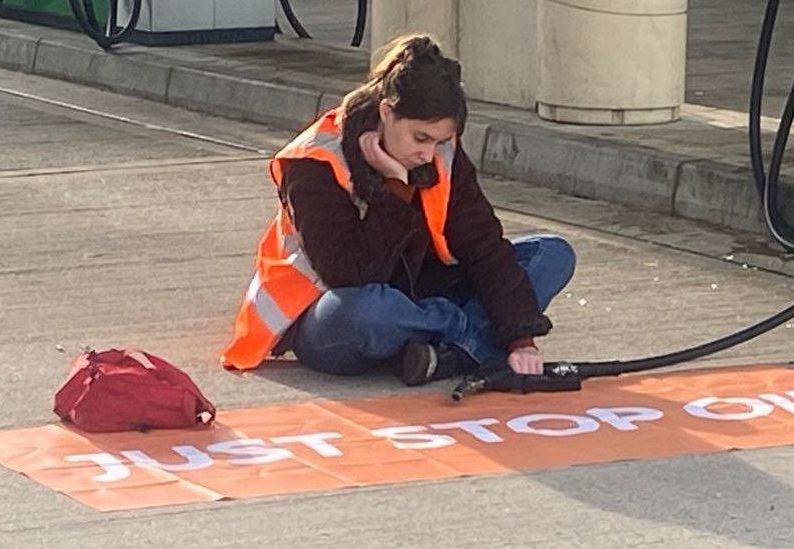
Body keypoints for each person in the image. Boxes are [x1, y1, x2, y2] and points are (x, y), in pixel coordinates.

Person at [221, 34, 576, 386]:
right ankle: (467, 341)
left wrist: (520, 339)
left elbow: (483, 244)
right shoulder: (314, 160)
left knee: (552, 253)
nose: (428, 154)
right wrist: (393, 187)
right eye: (421, 138)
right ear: (387, 112)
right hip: (328, 311)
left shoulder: (440, 152)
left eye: (439, 141)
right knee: (364, 312)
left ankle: (443, 356)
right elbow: (349, 273)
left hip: (419, 295)